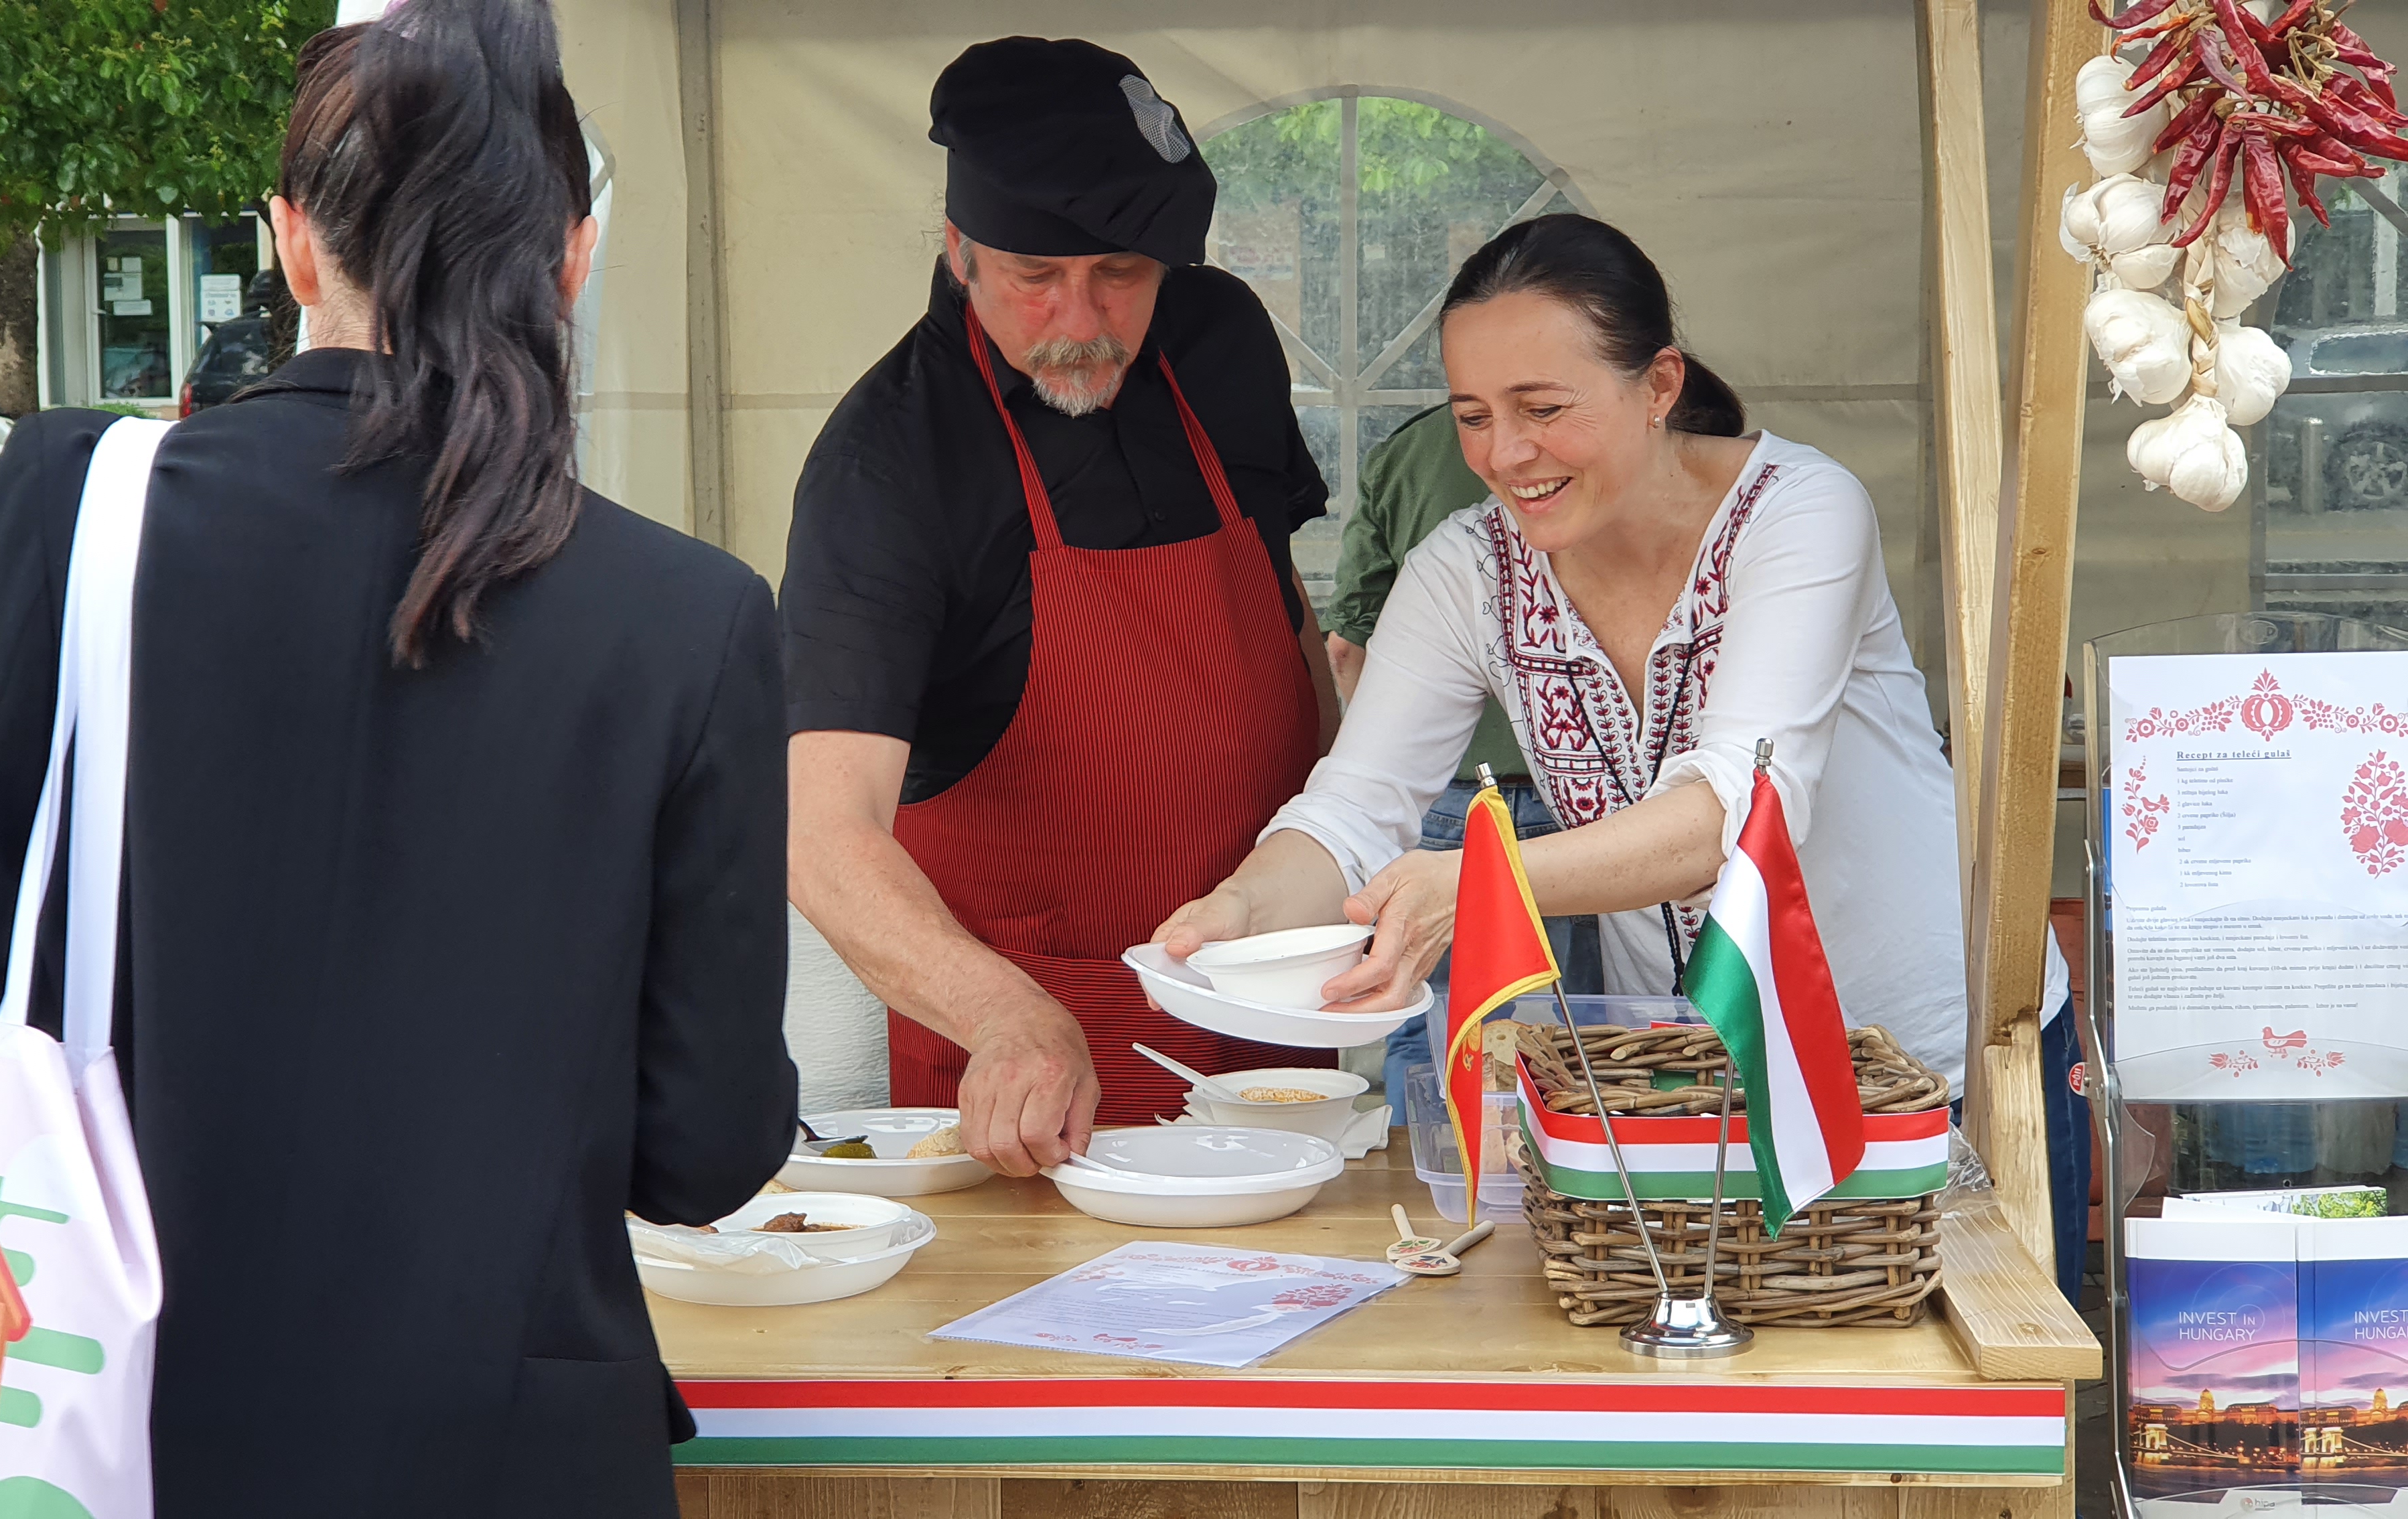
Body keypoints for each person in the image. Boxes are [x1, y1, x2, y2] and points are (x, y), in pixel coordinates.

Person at [0, 5, 798, 1514]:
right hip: (520, 1457)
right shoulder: (693, 617)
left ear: (293, 248)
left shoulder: (77, 507)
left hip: (130, 1426)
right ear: (574, 257)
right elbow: (707, 1150)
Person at [1155, 214, 2083, 1293]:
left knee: (1970, 1430)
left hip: (1935, 1065)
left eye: (1544, 410)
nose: (1505, 455)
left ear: (1658, 386)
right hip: (1693, 1085)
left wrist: (1481, 887)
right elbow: (1353, 808)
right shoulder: (1466, 572)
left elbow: (1732, 817)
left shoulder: (1799, 513)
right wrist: (1242, 909)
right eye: (1473, 417)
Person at [782, 37, 1339, 1177]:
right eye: (1036, 277)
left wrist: (1339, 837)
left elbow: (1282, 613)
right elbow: (819, 830)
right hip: (1037, 1057)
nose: (1080, 318)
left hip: (1272, 1007)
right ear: (958, 252)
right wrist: (1001, 1014)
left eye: (1121, 272)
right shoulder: (891, 459)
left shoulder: (1221, 340)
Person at [1326, 404, 1602, 1127]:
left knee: (1421, 1008)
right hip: (1579, 808)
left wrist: (1382, 761)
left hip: (1443, 798)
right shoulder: (1598, 443)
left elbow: (1348, 643)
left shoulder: (1405, 449)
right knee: (1570, 1028)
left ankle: (1423, 1178)